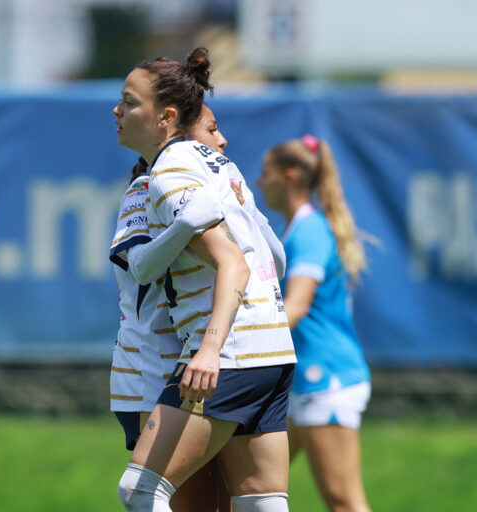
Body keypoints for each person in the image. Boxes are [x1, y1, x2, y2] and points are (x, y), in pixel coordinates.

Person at [113, 47, 296, 512]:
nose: (117, 111)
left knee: (140, 491)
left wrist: (210, 349)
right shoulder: (222, 168)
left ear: (165, 116)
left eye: (129, 101)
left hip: (226, 356)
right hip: (272, 350)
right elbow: (270, 257)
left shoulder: (170, 169)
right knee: (262, 504)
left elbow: (232, 262)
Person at [108, 105, 233, 512]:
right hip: (155, 371)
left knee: (220, 502)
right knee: (185, 502)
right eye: (212, 130)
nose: (222, 141)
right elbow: (140, 269)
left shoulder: (206, 192)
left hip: (195, 367)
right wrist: (187, 223)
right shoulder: (146, 189)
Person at [257, 135, 372, 512]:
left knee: (344, 502)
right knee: (246, 488)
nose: (259, 182)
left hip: (326, 380)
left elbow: (297, 305)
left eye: (266, 173)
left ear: (290, 176)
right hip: (300, 383)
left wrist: (241, 343)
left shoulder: (309, 230)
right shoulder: (296, 227)